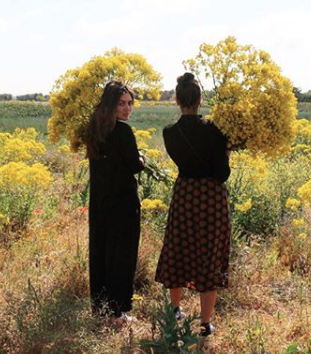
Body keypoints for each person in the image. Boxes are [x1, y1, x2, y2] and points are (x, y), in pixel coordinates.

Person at [155, 72, 231, 337]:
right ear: (201, 99)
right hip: (210, 197)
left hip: (184, 195)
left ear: (177, 99)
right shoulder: (216, 130)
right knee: (208, 254)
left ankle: (174, 309)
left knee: (180, 247)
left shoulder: (169, 133)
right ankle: (206, 324)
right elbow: (222, 174)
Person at [85, 81, 145, 321]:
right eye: (121, 103)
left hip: (100, 202)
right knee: (121, 256)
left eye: (130, 103)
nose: (127, 109)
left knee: (100, 254)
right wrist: (142, 158)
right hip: (123, 203)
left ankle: (100, 309)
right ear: (110, 105)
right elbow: (134, 165)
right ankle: (117, 312)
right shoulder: (123, 131)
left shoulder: (94, 129)